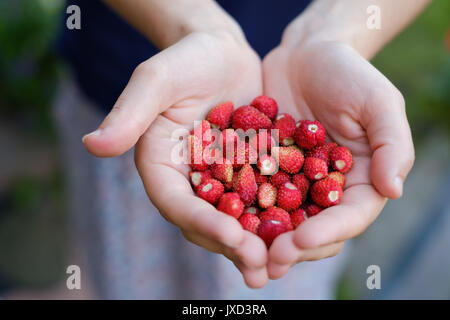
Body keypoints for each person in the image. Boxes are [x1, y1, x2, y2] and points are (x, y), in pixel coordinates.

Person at [55, 0, 427, 298]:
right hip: (136, 75)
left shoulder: (277, 164)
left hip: (284, 69)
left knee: (278, 264)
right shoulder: (247, 157)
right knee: (124, 259)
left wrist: (334, 32)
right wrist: (189, 23)